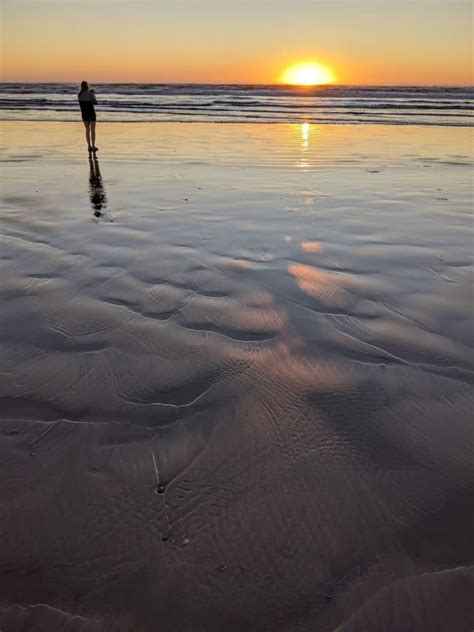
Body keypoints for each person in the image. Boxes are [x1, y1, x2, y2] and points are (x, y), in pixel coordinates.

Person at [78, 81, 98, 152]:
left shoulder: (79, 95)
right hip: (91, 113)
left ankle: (89, 146)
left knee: (87, 130)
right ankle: (93, 145)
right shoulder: (90, 94)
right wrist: (93, 94)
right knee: (92, 131)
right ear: (87, 86)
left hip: (84, 114)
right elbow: (95, 102)